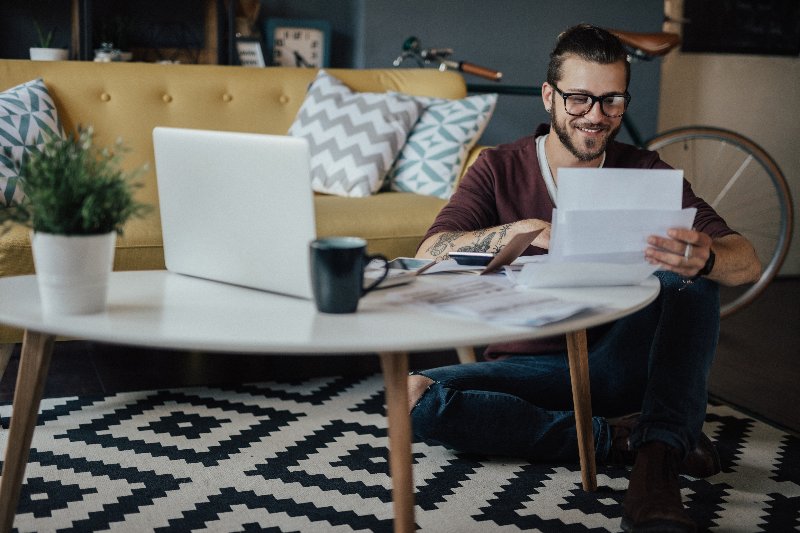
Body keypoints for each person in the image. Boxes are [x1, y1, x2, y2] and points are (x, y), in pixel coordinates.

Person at [409, 24, 761, 533]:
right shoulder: (498, 167)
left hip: (617, 361)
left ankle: (656, 473)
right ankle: (619, 439)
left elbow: (745, 260)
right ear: (549, 96)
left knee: (690, 278)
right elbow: (429, 250)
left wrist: (705, 257)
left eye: (612, 100)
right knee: (415, 399)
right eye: (579, 99)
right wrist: (521, 231)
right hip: (532, 369)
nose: (596, 116)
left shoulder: (645, 172)